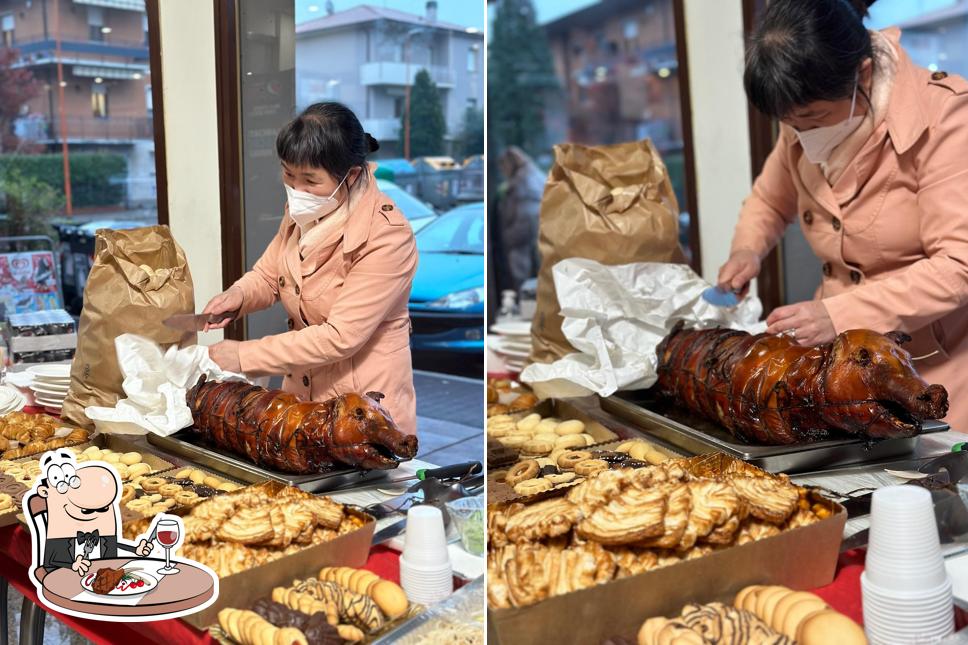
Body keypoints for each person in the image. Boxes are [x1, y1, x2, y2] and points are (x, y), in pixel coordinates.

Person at [718, 0, 968, 429]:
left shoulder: (946, 116)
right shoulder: (803, 111)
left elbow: (959, 265)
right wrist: (747, 251)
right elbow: (769, 200)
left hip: (930, 361)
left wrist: (840, 314)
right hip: (837, 361)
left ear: (864, 75)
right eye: (791, 123)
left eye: (813, 119)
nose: (803, 134)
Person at [203, 102, 418, 435]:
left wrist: (243, 356)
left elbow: (340, 337)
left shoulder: (387, 235)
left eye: (310, 180)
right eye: (288, 174)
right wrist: (239, 295)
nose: (296, 190)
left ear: (352, 175)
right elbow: (269, 273)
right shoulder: (305, 210)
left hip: (364, 407)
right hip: (303, 394)